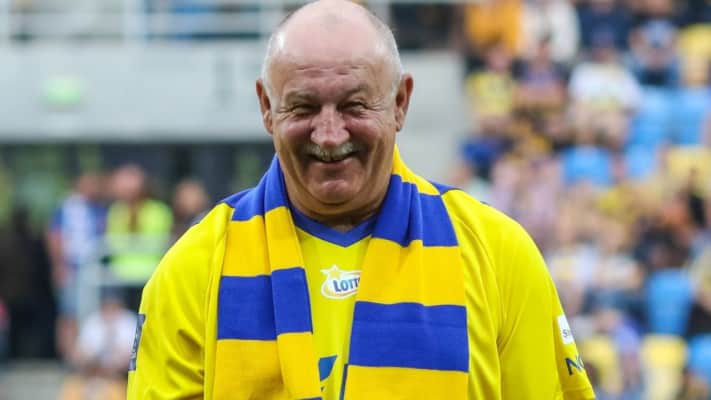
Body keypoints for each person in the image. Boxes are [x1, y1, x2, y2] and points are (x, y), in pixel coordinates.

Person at [127, 1, 595, 399]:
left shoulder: (497, 253)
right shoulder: (193, 270)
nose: (330, 135)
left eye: (354, 105)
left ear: (400, 103)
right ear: (267, 107)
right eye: (304, 107)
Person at [46, 172, 107, 361]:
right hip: (72, 268)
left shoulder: (99, 208)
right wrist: (59, 265)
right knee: (69, 313)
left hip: (93, 268)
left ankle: (87, 356)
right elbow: (55, 235)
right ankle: (68, 356)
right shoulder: (67, 208)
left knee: (91, 312)